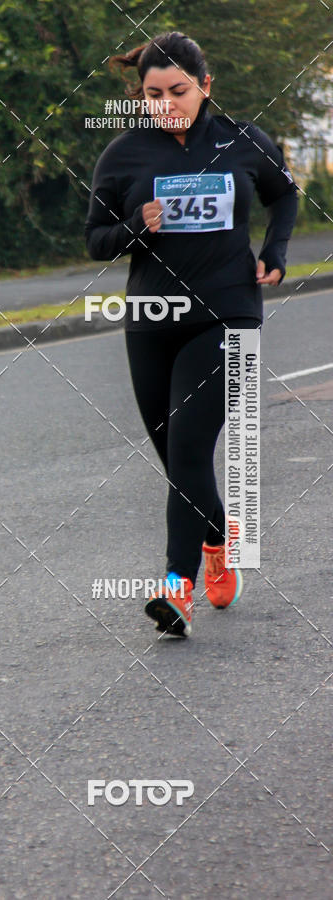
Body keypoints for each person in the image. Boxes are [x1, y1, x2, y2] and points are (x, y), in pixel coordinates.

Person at [84, 31, 298, 637]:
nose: (166, 103)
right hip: (152, 321)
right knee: (176, 460)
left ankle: (175, 589)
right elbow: (96, 239)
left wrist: (274, 251)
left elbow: (284, 196)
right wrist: (134, 226)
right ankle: (215, 538)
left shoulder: (241, 140)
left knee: (186, 451)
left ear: (206, 87)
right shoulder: (123, 156)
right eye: (153, 94)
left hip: (228, 315)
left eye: (178, 90)